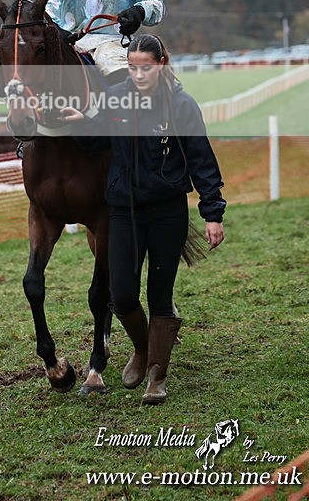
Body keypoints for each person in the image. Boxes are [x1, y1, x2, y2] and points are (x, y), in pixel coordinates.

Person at [62, 33, 226, 403]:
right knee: (121, 296)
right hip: (123, 212)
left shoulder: (181, 106)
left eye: (146, 68)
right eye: (133, 67)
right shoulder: (116, 97)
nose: (138, 75)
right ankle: (142, 348)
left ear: (161, 64)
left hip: (168, 212)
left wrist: (212, 213)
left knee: (160, 296)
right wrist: (78, 123)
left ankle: (157, 376)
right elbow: (96, 140)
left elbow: (202, 161)